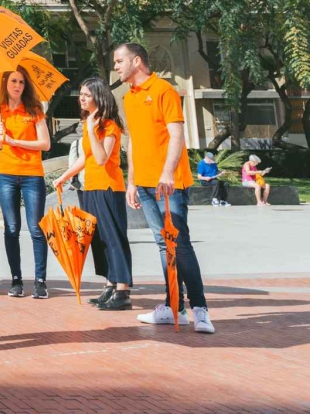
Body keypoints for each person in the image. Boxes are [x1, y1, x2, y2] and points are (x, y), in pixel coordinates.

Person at [116, 42, 216, 334]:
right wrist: (131, 181)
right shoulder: (129, 97)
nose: (116, 67)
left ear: (136, 61)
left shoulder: (163, 90)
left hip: (169, 184)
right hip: (144, 184)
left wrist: (168, 173)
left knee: (179, 245)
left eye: (119, 61)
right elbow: (134, 142)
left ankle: (200, 309)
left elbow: (177, 135)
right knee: (163, 245)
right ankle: (174, 307)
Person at [55, 79, 133, 310]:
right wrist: (64, 177)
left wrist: (90, 129)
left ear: (99, 97)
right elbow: (85, 158)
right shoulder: (89, 123)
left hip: (108, 188)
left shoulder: (109, 125)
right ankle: (110, 285)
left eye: (87, 95)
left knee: (113, 238)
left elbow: (101, 158)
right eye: (81, 94)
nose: (82, 98)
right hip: (89, 187)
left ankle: (122, 291)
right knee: (98, 240)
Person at [0, 67, 52, 299]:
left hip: (31, 174)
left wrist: (14, 141)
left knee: (36, 228)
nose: (17, 86)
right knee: (11, 228)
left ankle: (40, 281)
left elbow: (45, 144)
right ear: (5, 83)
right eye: (13, 81)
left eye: (21, 82)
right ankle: (16, 280)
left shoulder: (34, 110)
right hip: (6, 174)